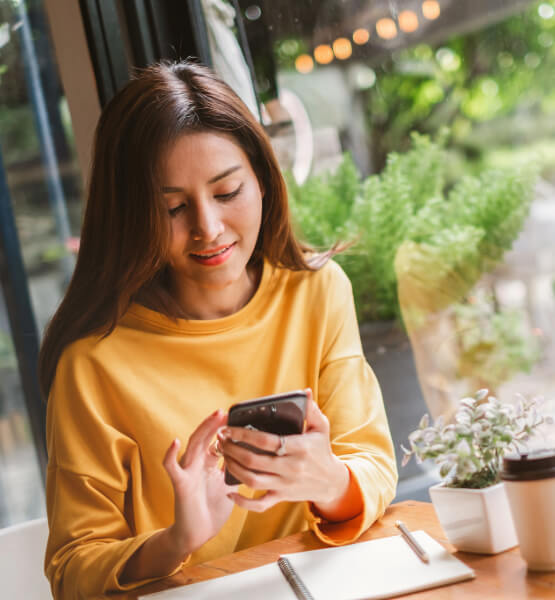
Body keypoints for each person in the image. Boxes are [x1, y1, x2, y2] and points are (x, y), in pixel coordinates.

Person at [39, 60, 397, 599]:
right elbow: (72, 568)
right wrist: (176, 540)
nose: (207, 228)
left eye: (227, 192)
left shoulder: (317, 293)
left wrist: (328, 481)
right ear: (131, 215)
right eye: (174, 208)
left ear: (261, 179)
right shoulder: (94, 363)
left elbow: (370, 462)